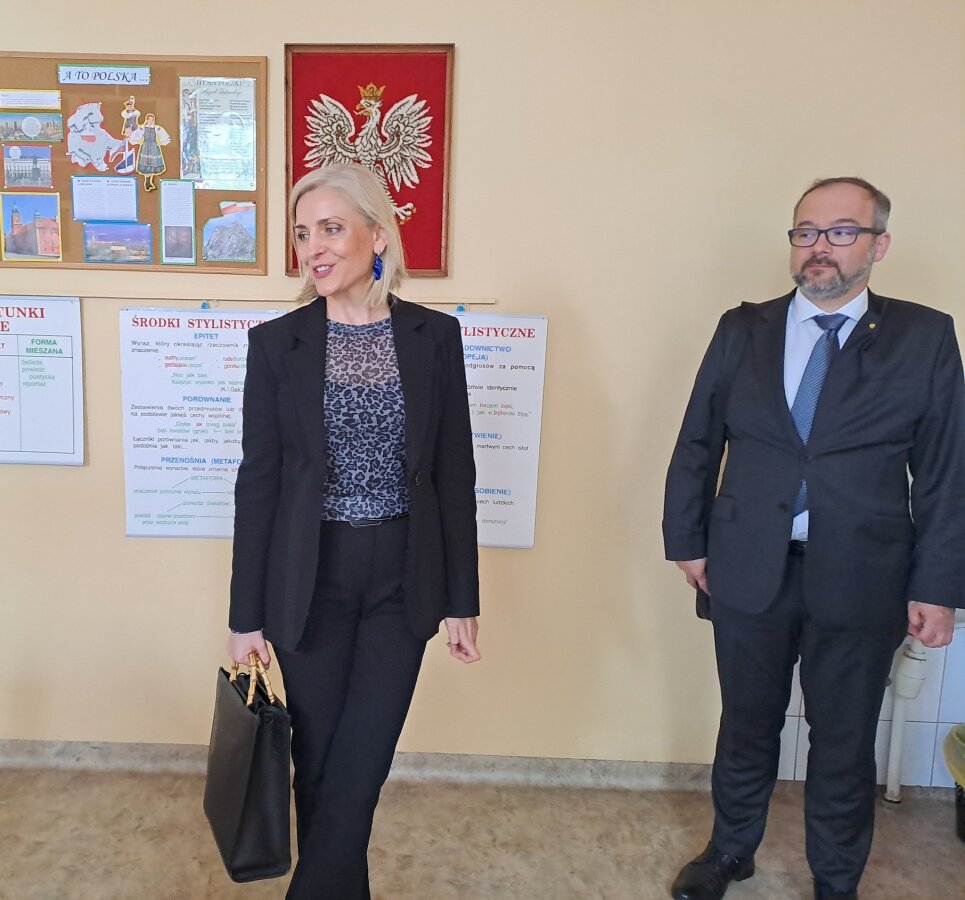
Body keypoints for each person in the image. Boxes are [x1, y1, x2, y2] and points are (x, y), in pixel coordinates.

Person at [662, 177, 965, 900]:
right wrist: (687, 540)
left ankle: (835, 879)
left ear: (878, 245)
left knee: (843, 738)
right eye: (806, 232)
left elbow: (944, 470)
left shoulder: (923, 336)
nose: (820, 247)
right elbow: (698, 439)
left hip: (863, 572)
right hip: (746, 564)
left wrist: (938, 586)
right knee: (746, 724)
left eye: (841, 232)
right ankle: (730, 850)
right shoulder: (743, 329)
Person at [227, 163, 481, 899]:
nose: (315, 247)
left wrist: (462, 597)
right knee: (319, 760)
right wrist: (244, 616)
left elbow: (454, 474)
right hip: (310, 578)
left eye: (332, 229)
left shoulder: (434, 337)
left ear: (378, 235)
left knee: (362, 760)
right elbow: (259, 485)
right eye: (303, 233)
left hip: (404, 574)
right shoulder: (277, 345)